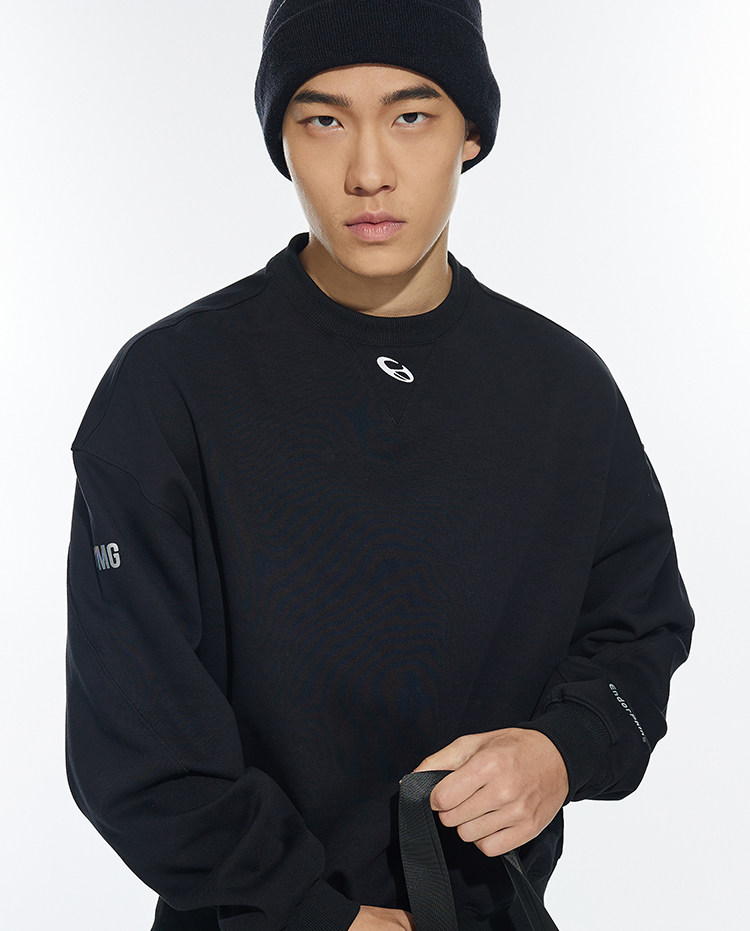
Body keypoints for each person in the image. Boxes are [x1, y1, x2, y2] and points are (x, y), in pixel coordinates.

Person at [65, 2, 694, 929]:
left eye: (411, 115)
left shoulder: (561, 387)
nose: (367, 171)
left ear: (470, 133)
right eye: (324, 119)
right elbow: (136, 743)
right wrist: (314, 913)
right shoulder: (170, 389)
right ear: (281, 138)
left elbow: (638, 632)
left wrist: (561, 750)